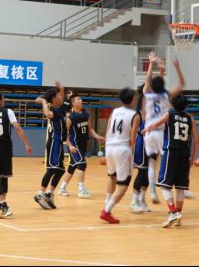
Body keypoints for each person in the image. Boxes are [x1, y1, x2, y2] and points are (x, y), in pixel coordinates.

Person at [142, 94, 199, 228]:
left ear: (173, 104)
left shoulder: (169, 114)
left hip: (171, 152)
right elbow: (197, 141)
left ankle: (173, 212)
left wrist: (146, 129)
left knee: (164, 185)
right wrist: (193, 158)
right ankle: (178, 215)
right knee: (180, 188)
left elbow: (156, 124)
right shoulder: (191, 119)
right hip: (185, 155)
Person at [143, 52, 184, 204]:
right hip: (162, 132)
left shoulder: (147, 94)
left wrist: (151, 64)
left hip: (149, 131)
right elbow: (181, 84)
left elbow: (148, 81)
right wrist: (177, 69)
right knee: (169, 161)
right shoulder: (167, 95)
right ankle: (178, 187)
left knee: (152, 163)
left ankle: (153, 192)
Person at [100, 87, 141, 224]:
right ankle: (106, 210)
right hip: (122, 149)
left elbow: (107, 132)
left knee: (112, 177)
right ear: (132, 99)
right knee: (123, 184)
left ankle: (107, 201)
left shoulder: (114, 111)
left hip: (109, 147)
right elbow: (133, 140)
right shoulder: (135, 115)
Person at [58, 94, 104, 198]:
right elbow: (64, 133)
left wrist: (97, 136)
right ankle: (81, 190)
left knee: (72, 167)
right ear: (73, 103)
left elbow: (90, 129)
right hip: (74, 145)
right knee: (82, 164)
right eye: (78, 99)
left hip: (83, 144)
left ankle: (62, 188)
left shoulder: (86, 115)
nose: (81, 100)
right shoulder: (70, 117)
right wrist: (70, 146)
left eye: (81, 99)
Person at [34, 81, 68, 210]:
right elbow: (47, 114)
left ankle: (49, 193)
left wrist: (61, 88)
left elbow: (61, 95)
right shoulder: (54, 110)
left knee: (60, 170)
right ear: (54, 99)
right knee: (52, 169)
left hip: (59, 142)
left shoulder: (60, 108)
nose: (61, 97)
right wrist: (44, 102)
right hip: (54, 141)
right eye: (58, 96)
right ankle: (40, 194)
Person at [129, 86, 151, 214]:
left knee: (148, 174)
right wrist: (131, 149)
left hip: (151, 144)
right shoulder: (138, 115)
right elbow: (133, 134)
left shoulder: (153, 113)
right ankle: (134, 201)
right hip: (141, 144)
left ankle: (142, 199)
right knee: (142, 172)